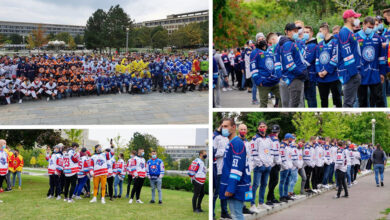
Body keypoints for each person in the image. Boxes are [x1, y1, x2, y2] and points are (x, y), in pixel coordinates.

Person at [219, 118, 251, 220]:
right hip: (234, 184)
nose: (223, 128)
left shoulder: (236, 143)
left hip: (237, 186)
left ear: (233, 127)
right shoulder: (232, 142)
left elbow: (236, 168)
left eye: (226, 126)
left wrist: (231, 187)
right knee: (235, 215)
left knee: (237, 215)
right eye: (222, 126)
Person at [275, 23, 308, 107]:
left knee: (288, 103)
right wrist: (301, 73)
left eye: (297, 31)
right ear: (287, 32)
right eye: (294, 31)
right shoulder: (288, 44)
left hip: (287, 76)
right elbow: (289, 64)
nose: (296, 33)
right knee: (295, 103)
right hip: (294, 77)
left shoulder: (290, 43)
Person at [356, 16, 386, 107]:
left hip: (375, 74)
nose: (371, 29)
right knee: (362, 100)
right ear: (363, 25)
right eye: (369, 27)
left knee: (379, 99)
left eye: (372, 28)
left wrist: (382, 73)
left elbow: (381, 57)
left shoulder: (377, 38)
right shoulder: (356, 38)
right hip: (361, 74)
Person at [336, 9, 362, 107]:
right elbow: (346, 53)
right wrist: (353, 72)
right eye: (355, 17)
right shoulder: (344, 32)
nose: (357, 19)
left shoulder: (350, 32)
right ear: (348, 19)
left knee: (352, 101)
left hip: (353, 71)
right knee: (348, 103)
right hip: (349, 72)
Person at [316, 22, 342, 107]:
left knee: (337, 99)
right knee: (323, 100)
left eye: (321, 31)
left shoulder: (335, 42)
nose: (319, 34)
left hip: (333, 76)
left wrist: (326, 71)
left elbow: (335, 58)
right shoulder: (319, 44)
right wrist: (319, 71)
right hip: (321, 78)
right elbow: (317, 59)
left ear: (326, 30)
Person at [250, 35, 281, 107]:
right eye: (259, 40)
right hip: (263, 82)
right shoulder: (254, 53)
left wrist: (277, 76)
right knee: (264, 103)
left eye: (263, 39)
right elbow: (253, 68)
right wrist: (259, 81)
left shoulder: (270, 50)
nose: (261, 41)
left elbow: (275, 63)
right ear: (257, 42)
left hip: (274, 80)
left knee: (282, 97)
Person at [212, 124, 231, 219]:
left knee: (224, 192)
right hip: (219, 170)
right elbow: (214, 153)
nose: (226, 129)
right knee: (216, 193)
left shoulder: (227, 139)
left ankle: (224, 212)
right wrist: (224, 152)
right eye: (223, 127)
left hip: (226, 170)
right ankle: (212, 214)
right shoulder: (216, 138)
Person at [266, 124, 282, 206]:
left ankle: (271, 197)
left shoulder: (268, 138)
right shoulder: (275, 139)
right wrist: (278, 162)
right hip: (274, 163)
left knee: (272, 181)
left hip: (269, 162)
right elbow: (276, 153)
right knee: (274, 181)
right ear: (278, 132)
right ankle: (269, 198)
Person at [303, 26, 318, 108]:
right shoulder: (303, 44)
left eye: (307, 32)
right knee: (304, 98)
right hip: (303, 76)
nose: (305, 34)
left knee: (311, 98)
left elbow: (307, 61)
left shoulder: (313, 46)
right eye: (304, 32)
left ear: (312, 33)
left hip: (310, 76)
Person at [279, 134, 294, 202]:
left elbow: (290, 157)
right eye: (291, 138)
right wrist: (285, 166)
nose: (292, 140)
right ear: (288, 138)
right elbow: (282, 157)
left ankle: (285, 195)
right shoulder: (282, 146)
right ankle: (281, 196)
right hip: (284, 167)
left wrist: (290, 166)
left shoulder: (289, 146)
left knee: (287, 182)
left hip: (289, 166)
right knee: (282, 182)